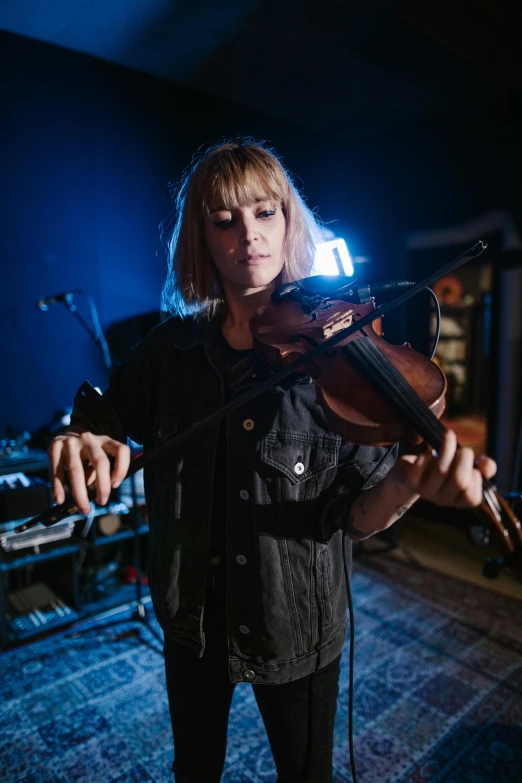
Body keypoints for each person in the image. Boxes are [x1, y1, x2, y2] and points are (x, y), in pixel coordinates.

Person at [49, 139, 496, 783]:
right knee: (193, 769)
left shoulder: (339, 358)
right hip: (192, 619)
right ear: (201, 235)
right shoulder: (167, 351)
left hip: (297, 624)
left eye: (265, 213)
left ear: (290, 222)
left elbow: (357, 518)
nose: (248, 236)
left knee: (305, 775)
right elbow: (106, 418)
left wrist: (407, 482)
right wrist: (83, 434)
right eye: (224, 219)